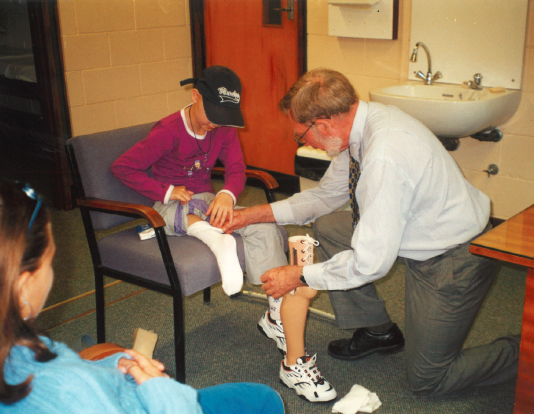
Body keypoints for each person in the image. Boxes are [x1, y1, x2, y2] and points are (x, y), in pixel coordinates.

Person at [222, 68, 520, 397]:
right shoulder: (358, 129)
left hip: (453, 256)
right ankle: (379, 332)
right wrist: (251, 215)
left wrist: (301, 275)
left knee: (429, 379)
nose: (305, 143)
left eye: (300, 135)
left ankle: (523, 350)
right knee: (330, 226)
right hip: (414, 230)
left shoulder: (383, 156)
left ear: (321, 124)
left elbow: (370, 264)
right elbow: (323, 198)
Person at [0, 180, 285, 413]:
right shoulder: (68, 391)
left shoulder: (14, 343)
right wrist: (159, 386)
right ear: (23, 286)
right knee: (264, 400)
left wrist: (110, 365)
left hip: (113, 384)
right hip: (157, 404)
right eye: (51, 262)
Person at [111, 66, 288, 334]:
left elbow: (236, 169)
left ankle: (277, 314)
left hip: (205, 202)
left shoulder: (224, 128)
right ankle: (216, 240)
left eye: (224, 116)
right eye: (213, 114)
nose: (216, 123)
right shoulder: (168, 131)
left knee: (263, 226)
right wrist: (166, 191)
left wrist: (227, 195)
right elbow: (122, 168)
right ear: (195, 96)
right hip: (169, 203)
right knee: (177, 211)